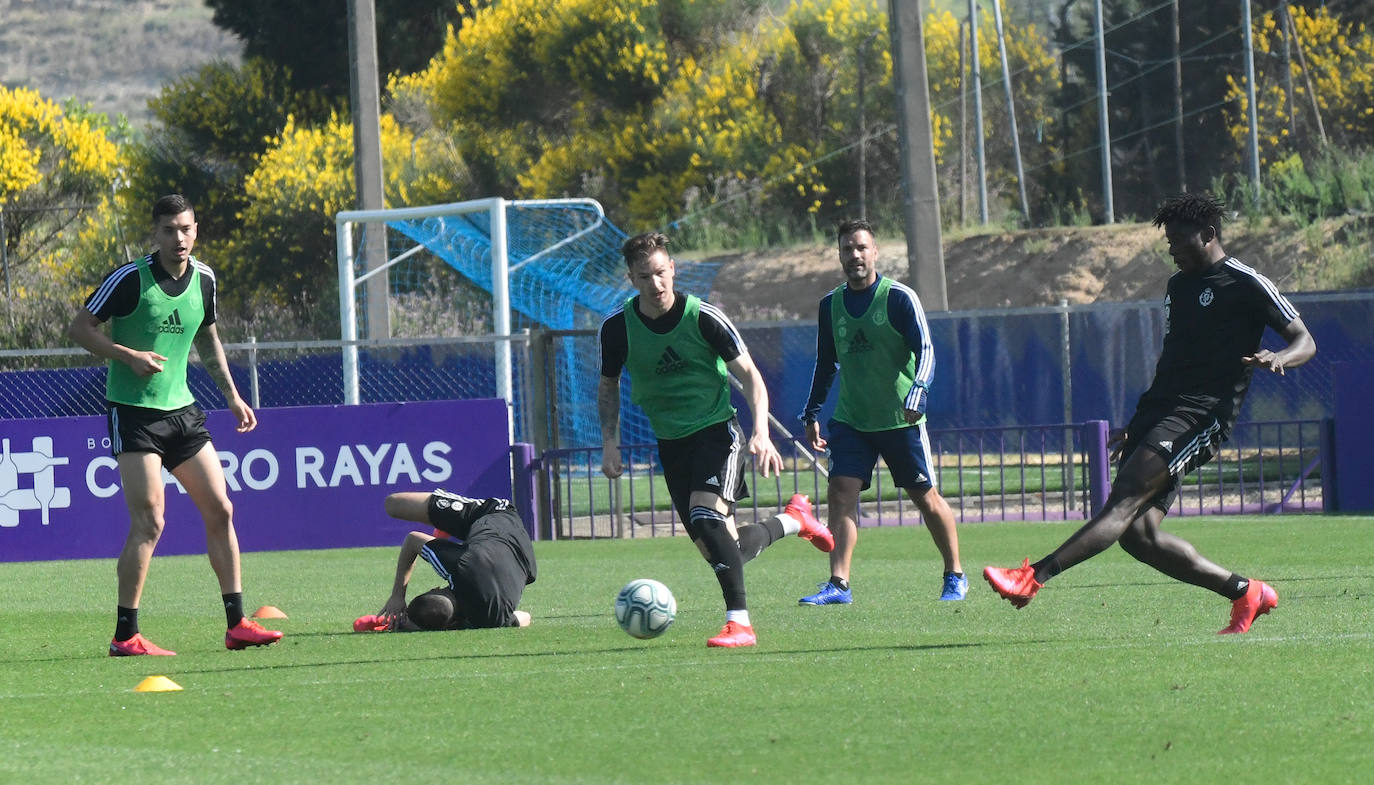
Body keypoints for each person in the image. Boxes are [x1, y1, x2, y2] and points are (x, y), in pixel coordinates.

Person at [984, 192, 1317, 634]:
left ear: (1209, 235)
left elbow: (1305, 340)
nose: (1172, 249)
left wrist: (1280, 356)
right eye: (1168, 242)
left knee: (1123, 496)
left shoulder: (1245, 281)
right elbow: (1173, 360)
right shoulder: (1178, 287)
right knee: (1140, 538)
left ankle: (1032, 578)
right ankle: (1245, 592)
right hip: (1163, 411)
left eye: (1179, 240)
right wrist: (1140, 423)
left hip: (1204, 416)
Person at [67, 194, 282, 656]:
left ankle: (237, 624)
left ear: (196, 230)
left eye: (185, 229)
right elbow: (80, 329)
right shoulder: (129, 280)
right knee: (150, 521)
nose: (178, 238)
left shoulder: (205, 279)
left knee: (221, 510)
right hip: (134, 413)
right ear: (156, 233)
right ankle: (126, 636)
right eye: (168, 230)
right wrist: (129, 356)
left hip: (183, 412)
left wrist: (232, 395)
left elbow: (207, 334)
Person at [598, 232, 834, 648]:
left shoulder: (703, 317)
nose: (656, 284)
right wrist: (609, 441)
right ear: (631, 279)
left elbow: (751, 378)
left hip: (717, 433)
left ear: (673, 268)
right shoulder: (617, 329)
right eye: (644, 276)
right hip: (671, 444)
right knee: (728, 549)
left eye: (660, 272)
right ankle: (795, 519)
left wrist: (760, 432)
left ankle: (740, 623)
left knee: (706, 519)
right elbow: (608, 385)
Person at [797, 218, 967, 606]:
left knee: (924, 497)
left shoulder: (898, 298)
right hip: (852, 419)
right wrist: (811, 413)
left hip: (899, 419)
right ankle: (839, 584)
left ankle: (955, 573)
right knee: (841, 493)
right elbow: (826, 362)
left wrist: (918, 393)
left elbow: (926, 349)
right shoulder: (830, 305)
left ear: (874, 252)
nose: (854, 255)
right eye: (847, 249)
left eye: (861, 248)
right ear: (839, 255)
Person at [353, 490, 536, 632]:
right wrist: (397, 596)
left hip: (525, 559)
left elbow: (525, 616)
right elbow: (412, 540)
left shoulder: (492, 617)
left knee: (393, 505)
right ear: (436, 589)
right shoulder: (459, 566)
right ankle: (443, 533)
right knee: (392, 504)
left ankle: (444, 533)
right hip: (494, 515)